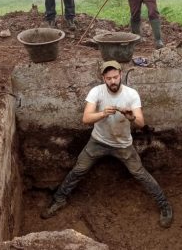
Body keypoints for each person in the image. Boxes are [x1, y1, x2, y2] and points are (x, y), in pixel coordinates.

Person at [41, 60, 173, 228]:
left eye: (116, 77)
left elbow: (140, 122)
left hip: (123, 144)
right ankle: (59, 199)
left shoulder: (131, 94)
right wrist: (103, 113)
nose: (113, 81)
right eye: (109, 78)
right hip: (98, 141)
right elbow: (86, 118)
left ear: (121, 75)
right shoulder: (96, 92)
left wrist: (130, 116)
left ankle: (164, 205)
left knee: (140, 173)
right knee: (79, 169)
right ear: (103, 78)